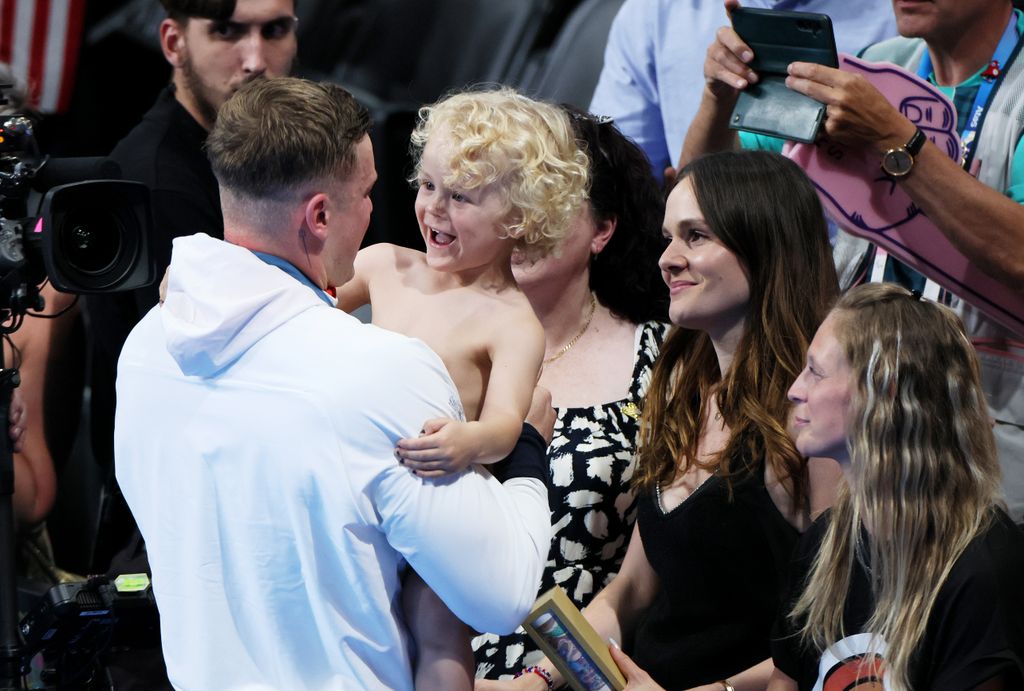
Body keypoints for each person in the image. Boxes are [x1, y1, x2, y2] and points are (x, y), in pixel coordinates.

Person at [114, 76, 553, 690]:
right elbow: (502, 593)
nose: (395, 210)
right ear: (320, 215)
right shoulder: (384, 368)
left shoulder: (146, 348)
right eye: (374, 192)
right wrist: (529, 448)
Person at [484, 150, 842, 691]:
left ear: (764, 242)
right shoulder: (680, 392)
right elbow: (627, 595)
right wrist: (534, 679)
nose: (667, 259)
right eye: (669, 236)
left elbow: (833, 629)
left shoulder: (813, 420)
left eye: (695, 236)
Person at [683, 0, 1024, 521]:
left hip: (986, 438)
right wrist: (719, 96)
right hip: (854, 433)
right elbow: (708, 198)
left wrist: (894, 141)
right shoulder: (877, 65)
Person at [335, 87, 589, 691]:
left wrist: (465, 442)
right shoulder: (383, 266)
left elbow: (510, 423)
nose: (434, 209)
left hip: (437, 491)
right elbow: (303, 307)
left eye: (462, 197)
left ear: (522, 216)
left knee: (440, 626)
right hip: (357, 490)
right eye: (428, 186)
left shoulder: (511, 321)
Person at [86, 0, 298, 572]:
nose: (256, 59)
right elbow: (218, 385)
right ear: (174, 43)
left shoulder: (260, 161)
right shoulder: (160, 184)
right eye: (228, 32)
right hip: (184, 533)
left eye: (275, 30)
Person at [472, 106, 669, 680]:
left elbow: (661, 568)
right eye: (511, 199)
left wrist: (541, 678)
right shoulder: (434, 342)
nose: (524, 224)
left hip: (579, 666)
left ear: (602, 229)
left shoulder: (663, 357)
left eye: (549, 204)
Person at [773, 282, 1024, 690]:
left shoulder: (982, 568)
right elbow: (784, 681)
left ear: (882, 393)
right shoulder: (825, 543)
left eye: (815, 372)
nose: (794, 389)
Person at [589, 0, 897, 184]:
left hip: (864, 277)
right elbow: (613, 182)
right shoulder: (653, 12)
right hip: (706, 270)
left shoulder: (904, 12)